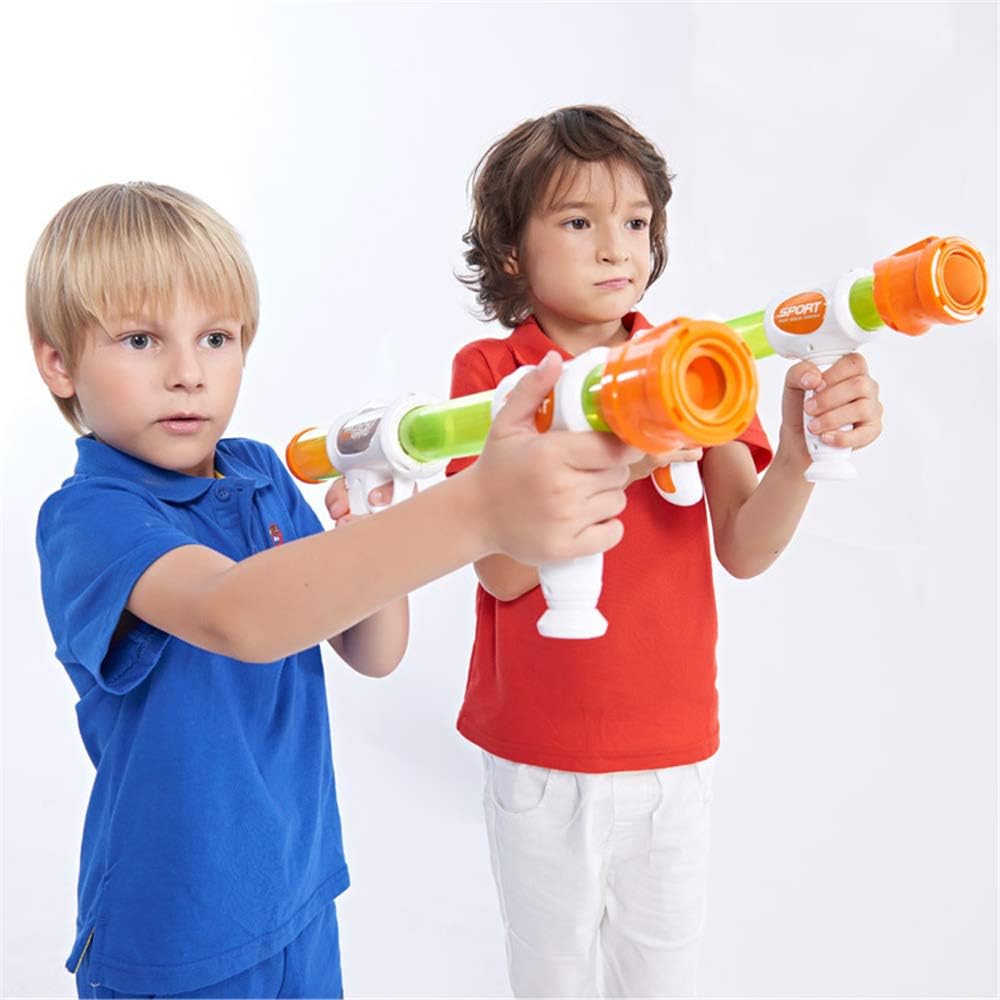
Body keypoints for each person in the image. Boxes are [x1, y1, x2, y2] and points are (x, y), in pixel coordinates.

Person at [28, 181, 637, 998]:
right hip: (174, 934)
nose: (187, 374)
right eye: (140, 340)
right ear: (59, 363)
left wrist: (373, 525)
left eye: (216, 338)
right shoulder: (90, 518)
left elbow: (374, 650)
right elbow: (238, 615)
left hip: (299, 891)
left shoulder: (257, 473)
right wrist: (480, 508)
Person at [446, 106, 884, 998]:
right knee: (550, 978)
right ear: (512, 253)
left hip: (672, 751)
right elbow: (502, 569)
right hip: (539, 755)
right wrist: (633, 450)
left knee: (663, 979)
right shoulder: (493, 375)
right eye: (579, 222)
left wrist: (799, 452)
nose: (617, 247)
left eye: (637, 222)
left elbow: (747, 548)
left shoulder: (697, 360)